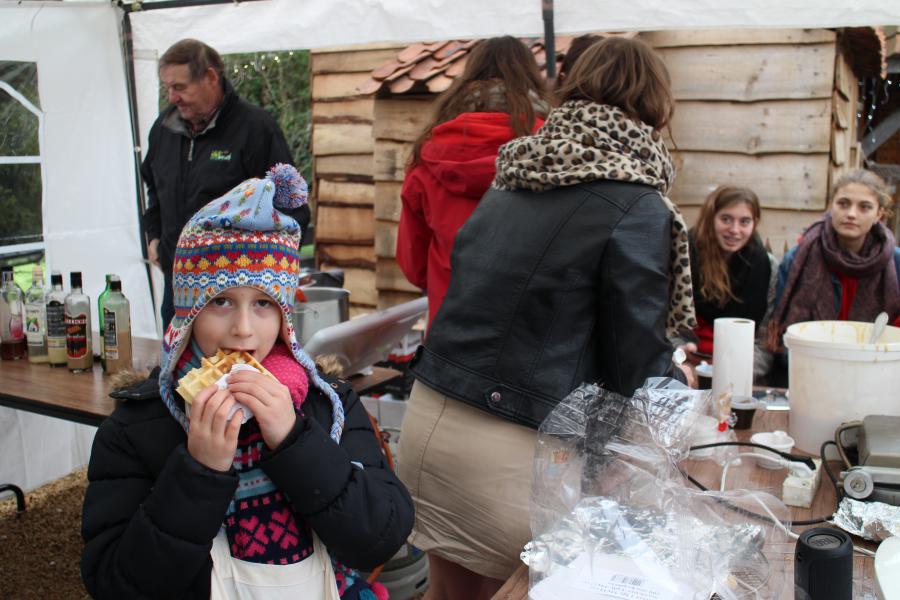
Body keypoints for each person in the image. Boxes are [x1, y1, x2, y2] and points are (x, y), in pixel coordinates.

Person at [396, 37, 696, 600]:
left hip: (428, 422)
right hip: (510, 453)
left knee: (446, 594)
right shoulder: (637, 202)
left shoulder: (514, 176)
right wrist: (678, 384)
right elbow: (636, 366)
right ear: (656, 108)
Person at [82, 164, 413, 599]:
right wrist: (198, 471)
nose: (242, 330)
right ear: (187, 311)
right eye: (219, 301)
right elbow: (116, 584)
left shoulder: (325, 403)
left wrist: (295, 441)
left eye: (262, 303)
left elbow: (380, 538)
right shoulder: (137, 428)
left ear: (284, 315)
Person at [141, 39, 300, 331]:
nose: (172, 96)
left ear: (211, 78)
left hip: (234, 295)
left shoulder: (256, 128)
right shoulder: (163, 128)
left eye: (180, 87)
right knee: (177, 374)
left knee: (231, 375)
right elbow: (153, 188)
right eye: (168, 87)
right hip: (177, 284)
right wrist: (153, 235)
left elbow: (293, 207)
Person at [396, 36, 551, 330]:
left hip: (453, 333)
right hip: (534, 334)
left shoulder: (429, 154)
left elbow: (413, 265)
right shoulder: (554, 150)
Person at [769, 169, 900, 350]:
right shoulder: (798, 258)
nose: (852, 214)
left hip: (875, 365)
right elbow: (784, 331)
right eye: (843, 204)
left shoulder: (895, 263)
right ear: (831, 206)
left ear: (879, 214)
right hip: (809, 362)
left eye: (865, 207)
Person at [688, 185, 777, 378]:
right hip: (689, 367)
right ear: (711, 218)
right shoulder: (685, 258)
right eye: (726, 219)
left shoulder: (766, 266)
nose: (734, 230)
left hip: (741, 373)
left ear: (754, 223)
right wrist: (680, 363)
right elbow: (669, 329)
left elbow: (763, 342)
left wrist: (731, 375)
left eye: (744, 221)